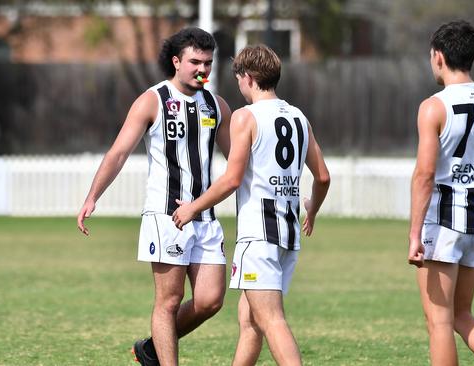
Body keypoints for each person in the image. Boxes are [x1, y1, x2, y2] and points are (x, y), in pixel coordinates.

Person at [77, 27, 231, 366]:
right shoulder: (153, 100)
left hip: (204, 216)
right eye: (195, 62)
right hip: (166, 217)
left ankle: (150, 349)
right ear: (176, 61)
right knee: (169, 300)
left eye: (207, 62)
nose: (202, 69)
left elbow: (237, 164)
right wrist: (92, 197)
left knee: (210, 300)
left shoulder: (216, 105)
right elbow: (118, 152)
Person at [173, 44, 330, 365]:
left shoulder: (245, 117)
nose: (238, 84)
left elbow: (232, 180)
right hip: (288, 237)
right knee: (250, 322)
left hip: (259, 237)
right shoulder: (299, 118)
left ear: (248, 77)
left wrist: (192, 207)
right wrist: (310, 209)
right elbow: (323, 177)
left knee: (271, 320)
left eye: (238, 77)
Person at [408, 20, 474, 365]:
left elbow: (425, 175)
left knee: (440, 321)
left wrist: (415, 234)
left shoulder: (434, 106)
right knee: (462, 315)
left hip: (444, 223)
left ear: (439, 56)